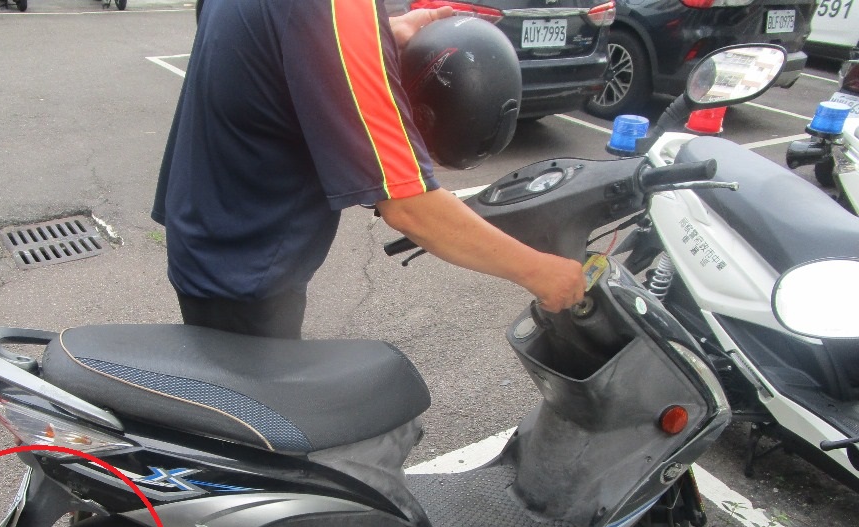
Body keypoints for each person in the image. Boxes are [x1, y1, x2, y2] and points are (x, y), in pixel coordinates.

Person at [151, 0, 585, 339]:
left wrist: (375, 37)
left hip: (208, 231)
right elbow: (409, 204)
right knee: (258, 418)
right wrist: (541, 272)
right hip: (244, 268)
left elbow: (261, 43)